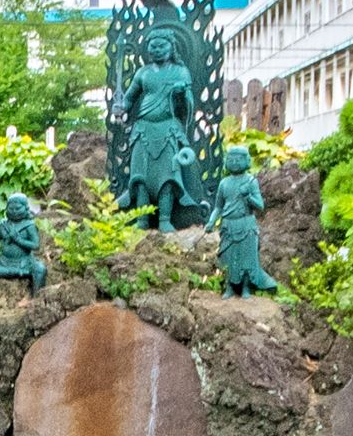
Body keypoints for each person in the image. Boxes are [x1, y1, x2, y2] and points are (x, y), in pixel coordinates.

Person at [112, 27, 204, 232]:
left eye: (161, 46)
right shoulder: (143, 73)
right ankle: (142, 219)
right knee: (140, 176)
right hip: (143, 129)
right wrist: (121, 107)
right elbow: (129, 98)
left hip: (168, 128)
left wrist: (181, 94)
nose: (156, 50)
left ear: (172, 48)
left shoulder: (181, 72)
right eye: (152, 46)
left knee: (168, 176)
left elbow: (188, 106)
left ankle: (164, 218)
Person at [205, 146, 277, 299]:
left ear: (247, 162)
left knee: (247, 257)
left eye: (239, 159)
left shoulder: (251, 182)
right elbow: (218, 206)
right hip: (228, 225)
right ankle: (230, 287)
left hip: (246, 224)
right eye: (231, 160)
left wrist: (248, 196)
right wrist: (211, 221)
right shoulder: (224, 183)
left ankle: (246, 287)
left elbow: (260, 205)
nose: (235, 163)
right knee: (229, 257)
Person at [0, 193, 47, 293]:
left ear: (25, 208)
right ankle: (17, 273)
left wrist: (18, 240)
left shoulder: (29, 225)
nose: (14, 212)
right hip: (4, 263)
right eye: (11, 209)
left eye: (18, 208)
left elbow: (36, 245)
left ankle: (37, 297)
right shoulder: (2, 225)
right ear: (6, 208)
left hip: (25, 262)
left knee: (41, 270)